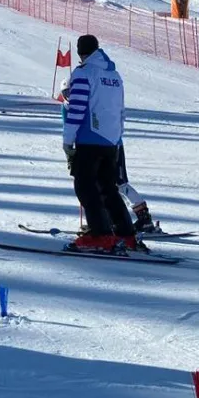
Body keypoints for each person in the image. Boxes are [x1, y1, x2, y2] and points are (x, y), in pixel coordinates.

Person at [61, 35, 136, 252]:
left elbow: (76, 110)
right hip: (111, 139)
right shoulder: (113, 74)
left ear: (80, 52)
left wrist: (68, 141)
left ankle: (101, 235)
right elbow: (121, 108)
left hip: (90, 137)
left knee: (84, 186)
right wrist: (117, 136)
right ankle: (125, 233)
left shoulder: (84, 73)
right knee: (107, 188)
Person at [60, 79, 157, 236]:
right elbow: (69, 128)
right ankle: (105, 220)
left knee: (118, 183)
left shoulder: (89, 104)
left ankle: (143, 217)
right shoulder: (66, 107)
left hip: (110, 146)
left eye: (73, 92)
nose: (71, 96)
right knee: (95, 185)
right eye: (67, 93)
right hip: (87, 149)